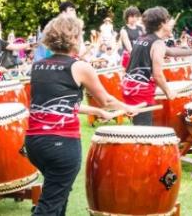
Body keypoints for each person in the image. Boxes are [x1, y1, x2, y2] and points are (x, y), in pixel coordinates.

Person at [25, 16, 139, 216]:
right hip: (61, 145)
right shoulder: (79, 67)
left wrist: (96, 112)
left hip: (35, 143)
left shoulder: (38, 66)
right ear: (74, 37)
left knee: (59, 193)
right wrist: (127, 107)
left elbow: (53, 106)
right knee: (49, 205)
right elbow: (106, 99)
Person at [122, 7, 192, 125]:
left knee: (142, 127)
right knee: (144, 133)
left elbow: (172, 52)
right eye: (167, 20)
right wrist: (168, 92)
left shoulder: (144, 38)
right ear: (162, 24)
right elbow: (157, 75)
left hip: (130, 87)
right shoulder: (157, 43)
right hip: (140, 91)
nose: (170, 23)